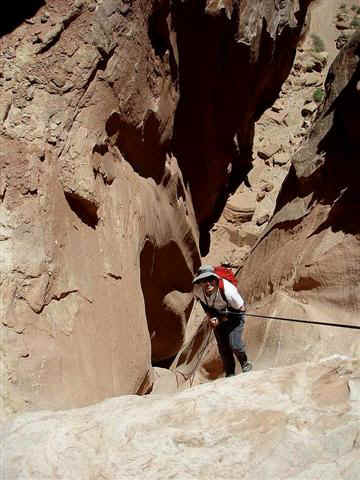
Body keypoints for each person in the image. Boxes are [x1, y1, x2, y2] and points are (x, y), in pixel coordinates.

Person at [193, 265, 252, 377]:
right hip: (217, 314)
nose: (207, 284)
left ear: (215, 280)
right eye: (203, 281)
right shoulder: (198, 291)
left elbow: (241, 309)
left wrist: (223, 317)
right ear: (199, 283)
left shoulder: (229, 291)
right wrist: (211, 317)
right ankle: (230, 373)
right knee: (223, 348)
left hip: (234, 315)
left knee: (235, 344)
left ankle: (245, 363)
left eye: (210, 279)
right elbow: (205, 304)